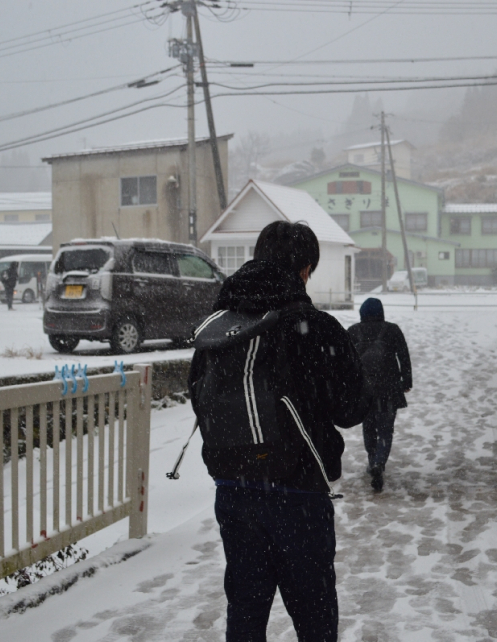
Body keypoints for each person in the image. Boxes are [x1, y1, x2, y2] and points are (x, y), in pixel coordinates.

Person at [189, 220, 368, 642]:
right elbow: (351, 409)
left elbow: (198, 395)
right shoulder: (314, 327)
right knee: (314, 615)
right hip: (299, 493)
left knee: (246, 610)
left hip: (233, 489)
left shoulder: (219, 327)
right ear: (304, 269)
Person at [347, 297, 412, 492]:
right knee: (385, 429)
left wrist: (346, 386)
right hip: (389, 388)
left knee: (368, 427)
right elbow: (403, 356)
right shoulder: (392, 330)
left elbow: (345, 361)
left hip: (364, 389)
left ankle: (372, 460)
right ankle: (379, 462)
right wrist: (406, 381)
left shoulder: (353, 331)